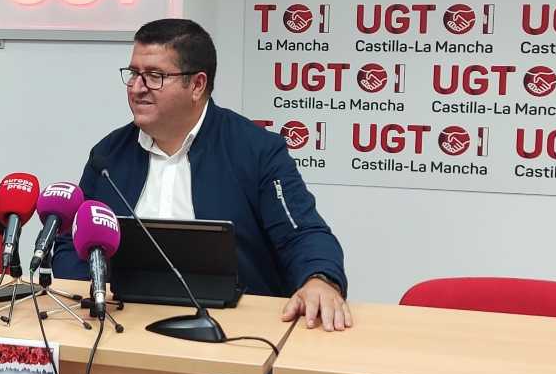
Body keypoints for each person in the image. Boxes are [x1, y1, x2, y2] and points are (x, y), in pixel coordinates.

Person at [52, 18, 350, 331]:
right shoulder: (108, 155)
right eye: (133, 74)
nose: (137, 88)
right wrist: (81, 292)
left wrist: (320, 279)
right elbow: (73, 242)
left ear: (196, 85)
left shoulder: (257, 150)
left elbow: (302, 233)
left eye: (154, 76)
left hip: (234, 331)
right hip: (122, 325)